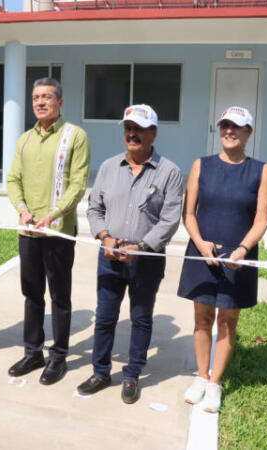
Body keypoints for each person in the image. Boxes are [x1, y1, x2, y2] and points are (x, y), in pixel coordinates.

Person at [77, 104, 183, 404]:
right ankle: (100, 372)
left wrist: (142, 247)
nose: (132, 134)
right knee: (105, 317)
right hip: (109, 256)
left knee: (141, 317)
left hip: (146, 259)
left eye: (139, 128)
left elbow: (170, 219)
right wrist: (104, 236)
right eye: (128, 128)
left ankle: (132, 375)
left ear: (154, 133)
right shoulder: (109, 167)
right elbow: (95, 208)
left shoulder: (170, 172)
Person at [178, 106, 267, 413]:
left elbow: (261, 219)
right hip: (203, 253)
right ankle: (201, 377)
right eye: (225, 126)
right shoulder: (200, 165)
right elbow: (189, 213)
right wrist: (200, 243)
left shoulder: (261, 170)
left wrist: (243, 249)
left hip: (238, 257)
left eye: (237, 126)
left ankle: (215, 383)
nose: (229, 131)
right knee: (202, 320)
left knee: (228, 321)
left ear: (249, 132)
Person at [6, 77, 91, 385]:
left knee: (59, 297)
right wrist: (23, 210)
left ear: (60, 103)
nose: (40, 102)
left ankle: (58, 356)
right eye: (36, 97)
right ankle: (33, 352)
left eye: (46, 97)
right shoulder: (25, 139)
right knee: (31, 294)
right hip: (28, 231)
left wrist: (53, 215)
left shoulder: (75, 136)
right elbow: (13, 178)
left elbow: (78, 184)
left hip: (57, 233)